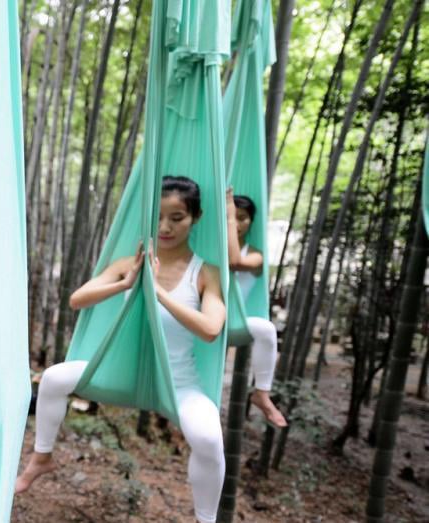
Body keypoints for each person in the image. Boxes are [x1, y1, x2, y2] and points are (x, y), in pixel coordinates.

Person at [16, 176, 227, 523]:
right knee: (53, 379)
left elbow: (210, 329)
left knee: (208, 440)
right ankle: (41, 458)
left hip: (179, 384)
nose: (165, 227)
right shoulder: (130, 262)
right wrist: (129, 283)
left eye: (177, 218)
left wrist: (157, 292)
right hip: (118, 373)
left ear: (196, 217)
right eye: (158, 217)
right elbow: (77, 299)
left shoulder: (206, 273)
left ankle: (206, 519)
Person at [227, 188, 287, 427]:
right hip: (202, 315)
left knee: (266, 330)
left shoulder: (256, 255)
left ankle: (261, 394)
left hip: (232, 321)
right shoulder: (208, 245)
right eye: (234, 216)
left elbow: (234, 262)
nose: (237, 223)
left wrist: (229, 216)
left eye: (243, 218)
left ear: (251, 221)